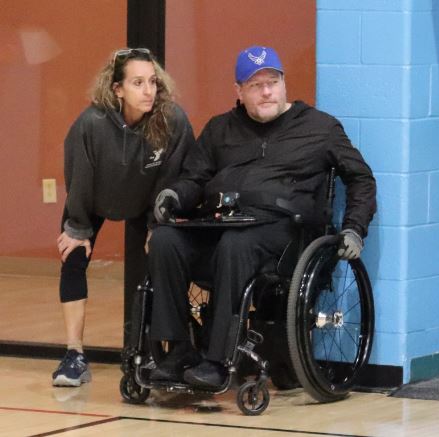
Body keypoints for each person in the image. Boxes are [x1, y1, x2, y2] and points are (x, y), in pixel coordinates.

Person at [148, 46, 377, 389]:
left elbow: (361, 179)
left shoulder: (319, 127)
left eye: (273, 81)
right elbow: (194, 179)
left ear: (284, 84)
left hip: (282, 236)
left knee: (237, 245)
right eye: (256, 85)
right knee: (166, 240)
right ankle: (178, 350)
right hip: (221, 225)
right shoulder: (219, 129)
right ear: (239, 92)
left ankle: (218, 361)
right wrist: (175, 196)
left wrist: (354, 229)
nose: (267, 91)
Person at [52, 48, 195, 387]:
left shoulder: (172, 120)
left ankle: (144, 349)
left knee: (156, 256)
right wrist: (78, 227)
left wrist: (156, 224)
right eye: (137, 83)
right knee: (73, 254)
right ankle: (74, 355)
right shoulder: (91, 124)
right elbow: (79, 178)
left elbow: (174, 175)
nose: (148, 91)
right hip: (96, 197)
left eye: (152, 82)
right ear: (117, 89)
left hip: (145, 199)